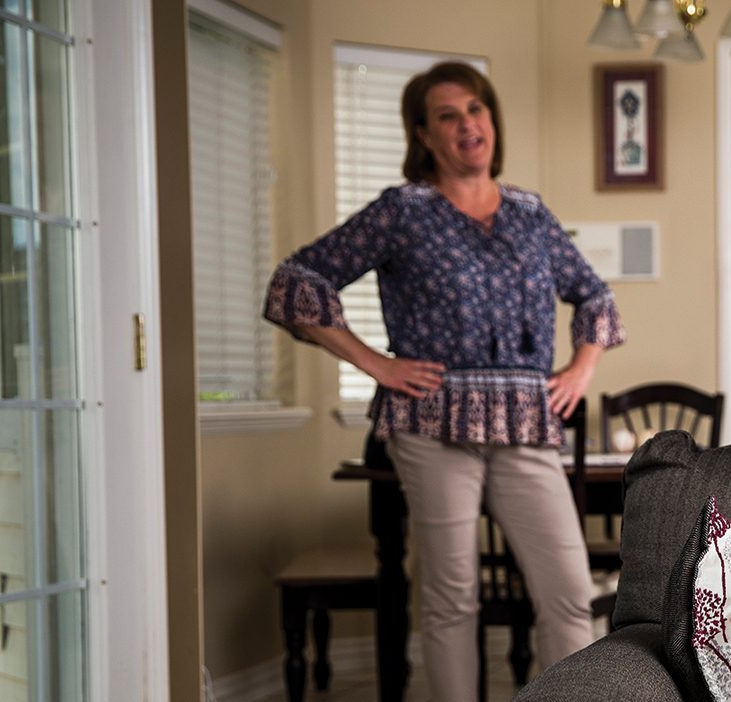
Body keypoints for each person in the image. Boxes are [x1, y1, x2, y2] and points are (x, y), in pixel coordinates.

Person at [263, 61, 624, 701]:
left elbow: (594, 298)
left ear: (491, 120)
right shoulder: (402, 211)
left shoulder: (530, 213)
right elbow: (297, 284)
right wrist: (375, 363)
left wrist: (578, 370)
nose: (467, 126)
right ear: (423, 134)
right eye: (447, 116)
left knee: (568, 592)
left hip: (524, 424)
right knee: (452, 598)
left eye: (475, 110)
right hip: (432, 425)